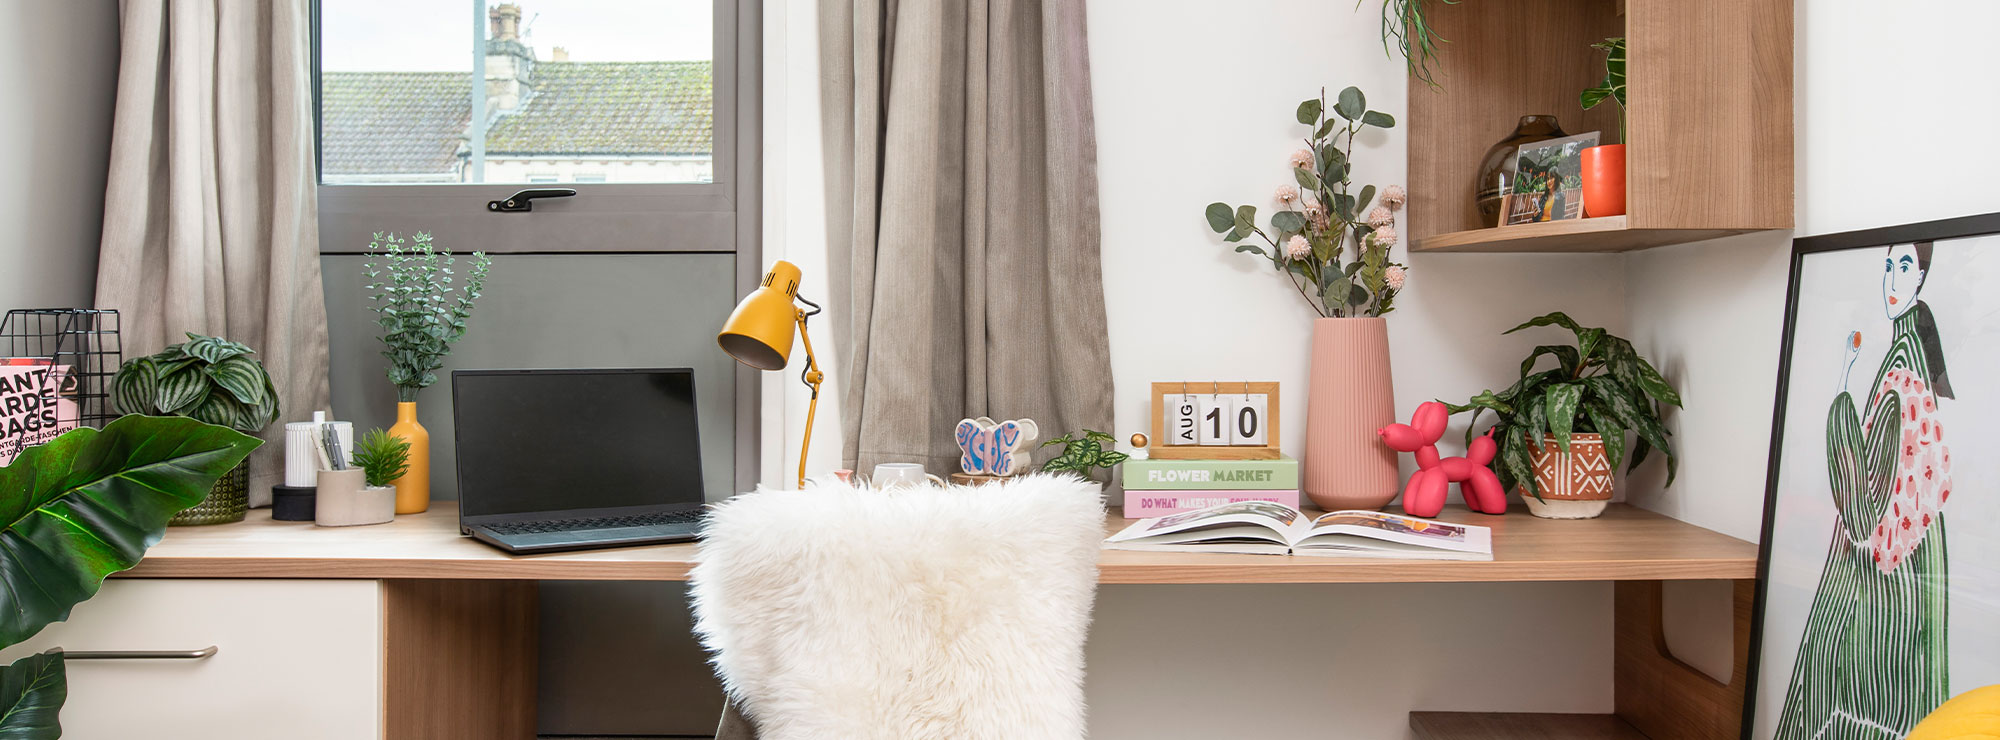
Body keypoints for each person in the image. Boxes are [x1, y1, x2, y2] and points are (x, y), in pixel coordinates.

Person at [1777, 241, 1954, 739]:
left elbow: (1862, 501)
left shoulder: (1901, 370)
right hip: (1912, 566)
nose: (1890, 281)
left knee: (1853, 676)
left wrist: (1843, 380)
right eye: (1887, 267)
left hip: (1887, 580)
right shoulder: (1912, 356)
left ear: (1921, 278)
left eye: (1903, 267)